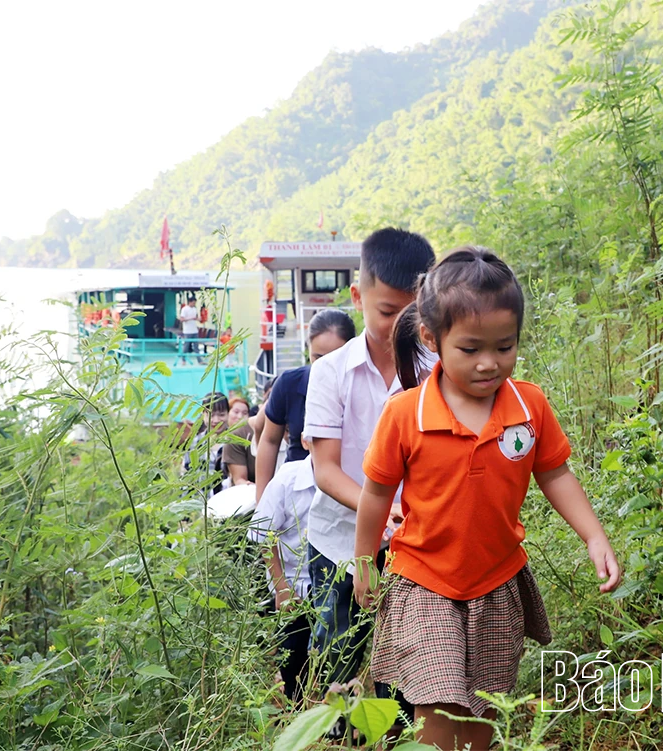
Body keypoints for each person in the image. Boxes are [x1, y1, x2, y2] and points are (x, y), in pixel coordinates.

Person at [352, 247, 621, 750]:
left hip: (496, 582)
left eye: (504, 347)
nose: (489, 363)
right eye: (471, 348)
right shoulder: (406, 414)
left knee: (482, 715)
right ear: (432, 338)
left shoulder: (529, 405)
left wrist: (594, 535)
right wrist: (365, 561)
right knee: (439, 705)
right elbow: (375, 494)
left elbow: (556, 474)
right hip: (423, 580)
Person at [302, 227, 435, 725]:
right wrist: (384, 510)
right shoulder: (331, 371)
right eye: (386, 312)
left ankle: (389, 732)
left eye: (412, 313)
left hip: (414, 545)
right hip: (339, 543)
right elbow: (326, 471)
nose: (400, 324)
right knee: (337, 653)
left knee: (404, 669)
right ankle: (340, 733)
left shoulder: (438, 370)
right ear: (358, 296)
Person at [255, 309, 356, 504]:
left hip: (348, 492)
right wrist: (262, 502)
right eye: (318, 358)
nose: (325, 366)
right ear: (307, 349)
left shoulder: (362, 386)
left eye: (335, 357)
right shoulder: (289, 383)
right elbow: (269, 440)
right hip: (297, 493)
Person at [247, 436, 315, 703]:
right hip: (293, 580)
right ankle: (295, 707)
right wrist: (282, 587)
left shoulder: (349, 479)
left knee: (335, 650)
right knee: (293, 653)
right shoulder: (288, 480)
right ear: (306, 442)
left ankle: (335, 723)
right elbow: (264, 534)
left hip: (332, 579)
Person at [182, 391, 230, 497]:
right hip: (201, 506)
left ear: (228, 414)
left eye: (221, 415)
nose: (216, 420)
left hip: (228, 506)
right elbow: (186, 478)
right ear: (203, 414)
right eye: (211, 415)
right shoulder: (195, 443)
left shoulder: (235, 442)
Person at [222, 396, 258, 487]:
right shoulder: (230, 438)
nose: (240, 416)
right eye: (236, 412)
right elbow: (239, 479)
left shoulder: (250, 434)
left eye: (245, 413)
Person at [179, 295, 201, 365]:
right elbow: (182, 319)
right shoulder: (184, 309)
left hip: (194, 330)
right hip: (187, 331)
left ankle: (199, 360)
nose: (194, 304)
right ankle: (183, 360)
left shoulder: (194, 309)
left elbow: (196, 317)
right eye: (193, 303)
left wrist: (198, 319)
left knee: (196, 346)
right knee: (186, 346)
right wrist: (191, 318)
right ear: (190, 302)